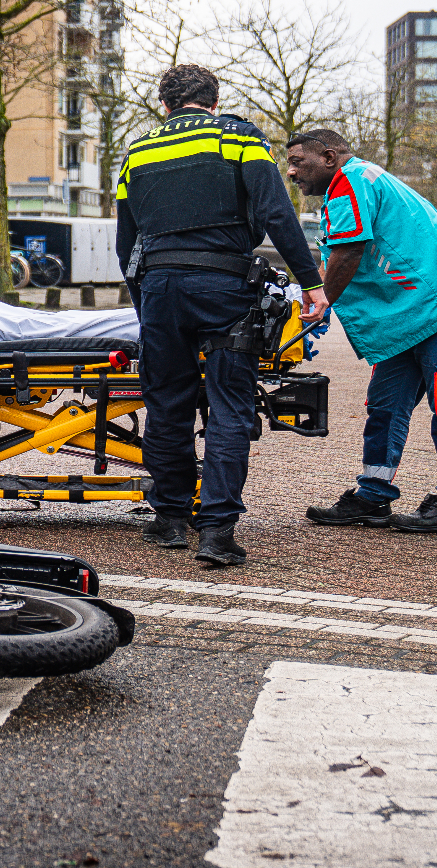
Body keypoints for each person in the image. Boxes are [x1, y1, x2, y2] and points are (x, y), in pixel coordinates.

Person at [114, 65, 329, 566]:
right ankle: (216, 533)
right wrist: (311, 282)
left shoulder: (138, 151)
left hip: (161, 287)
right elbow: (276, 213)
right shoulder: (240, 138)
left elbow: (127, 239)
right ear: (215, 102)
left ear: (163, 106)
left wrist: (141, 299)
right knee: (230, 405)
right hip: (225, 285)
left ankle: (168, 520)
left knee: (166, 403)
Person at [287, 131, 437, 535]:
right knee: (386, 406)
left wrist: (321, 302)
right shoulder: (359, 179)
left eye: (300, 161)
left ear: (330, 157)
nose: (292, 171)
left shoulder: (350, 182)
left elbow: (349, 250)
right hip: (411, 316)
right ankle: (373, 496)